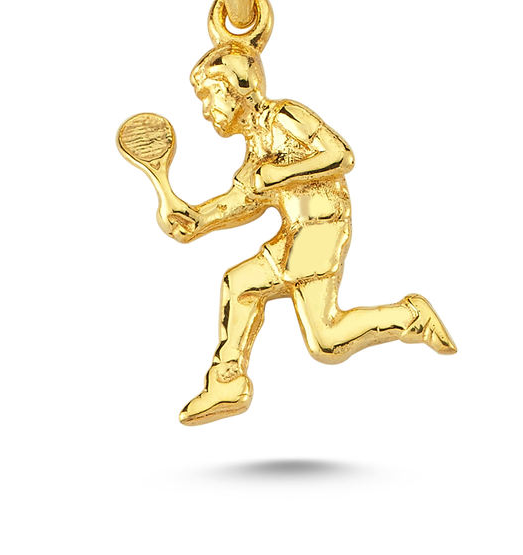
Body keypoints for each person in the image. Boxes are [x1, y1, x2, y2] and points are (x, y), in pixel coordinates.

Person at [166, 40, 455, 425]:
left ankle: (411, 316)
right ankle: (226, 383)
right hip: (295, 232)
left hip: (321, 230)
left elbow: (340, 155)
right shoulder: (256, 142)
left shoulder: (285, 116)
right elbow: (245, 200)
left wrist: (277, 174)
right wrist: (197, 219)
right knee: (240, 285)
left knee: (327, 341)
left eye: (211, 94)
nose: (206, 109)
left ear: (239, 88)